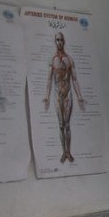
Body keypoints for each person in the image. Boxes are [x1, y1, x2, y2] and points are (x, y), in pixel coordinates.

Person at [42, 32, 86, 163]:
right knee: (60, 124)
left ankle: (68, 152)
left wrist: (79, 97)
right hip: (57, 95)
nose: (59, 42)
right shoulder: (52, 60)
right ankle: (63, 152)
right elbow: (49, 80)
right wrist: (46, 97)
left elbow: (75, 79)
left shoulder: (69, 59)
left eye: (61, 40)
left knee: (67, 124)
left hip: (68, 95)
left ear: (64, 41)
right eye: (57, 40)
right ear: (55, 42)